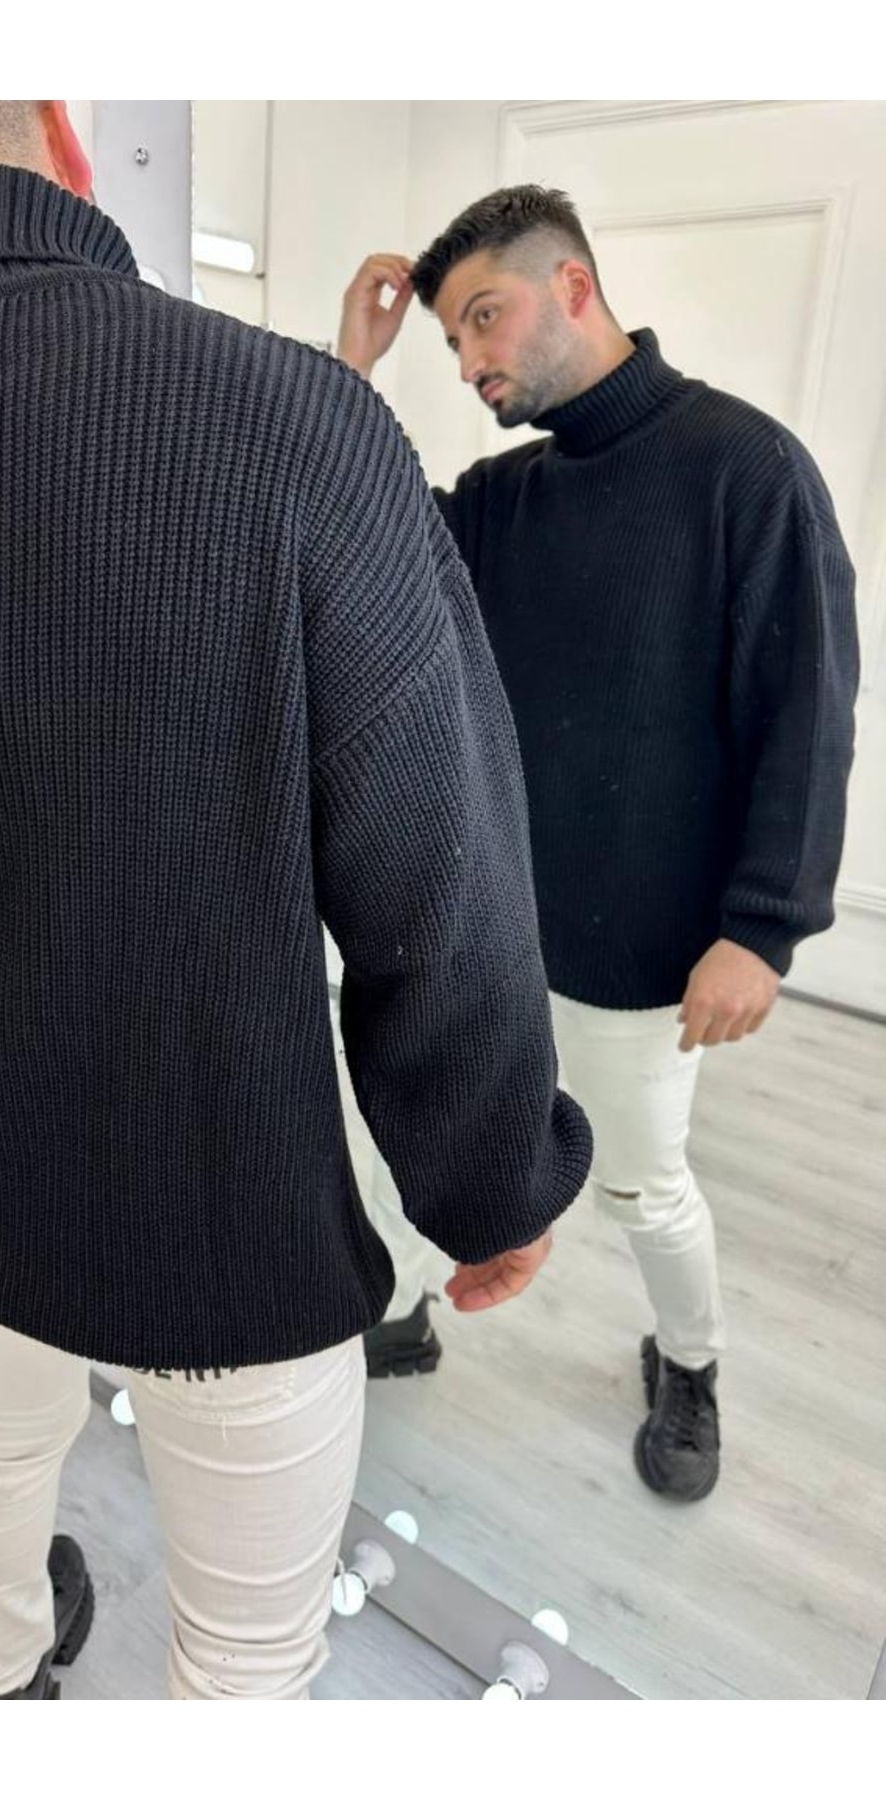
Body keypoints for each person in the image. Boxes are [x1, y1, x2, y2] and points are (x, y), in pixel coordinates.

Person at [0, 109, 591, 1700]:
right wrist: (491, 1178)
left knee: (0, 1436)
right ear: (65, 137)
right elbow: (437, 871)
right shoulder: (292, 417)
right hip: (223, 1210)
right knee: (243, 1654)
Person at [339, 185, 859, 1502]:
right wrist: (354, 370)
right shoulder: (502, 499)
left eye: (484, 318)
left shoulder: (746, 470)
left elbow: (807, 708)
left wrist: (763, 928)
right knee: (433, 1144)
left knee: (639, 1188)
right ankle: (407, 1308)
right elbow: (366, 526)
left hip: (643, 949)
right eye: (453, 339)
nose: (470, 361)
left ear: (572, 286)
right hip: (493, 926)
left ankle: (691, 1363)